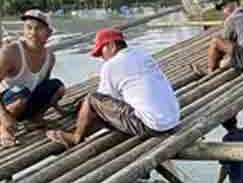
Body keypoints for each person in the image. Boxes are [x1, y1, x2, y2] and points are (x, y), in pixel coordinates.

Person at [47, 29, 180, 148]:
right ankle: (72, 112)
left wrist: (84, 109)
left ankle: (75, 137)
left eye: (101, 52)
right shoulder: (141, 54)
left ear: (111, 45)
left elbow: (100, 101)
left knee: (91, 98)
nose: (102, 57)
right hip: (173, 120)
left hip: (152, 127)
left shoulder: (112, 65)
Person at [0, 9, 67, 148]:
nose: (33, 33)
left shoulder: (50, 57)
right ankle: (5, 129)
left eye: (39, 28)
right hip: (4, 105)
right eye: (28, 28)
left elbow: (43, 86)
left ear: (49, 33)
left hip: (27, 101)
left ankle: (35, 119)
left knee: (58, 86)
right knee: (21, 94)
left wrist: (57, 107)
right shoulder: (10, 52)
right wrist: (3, 115)